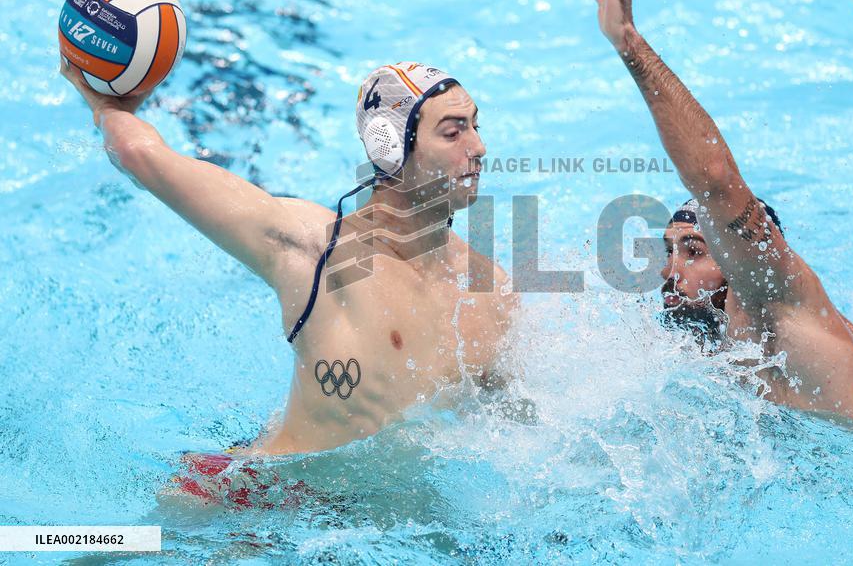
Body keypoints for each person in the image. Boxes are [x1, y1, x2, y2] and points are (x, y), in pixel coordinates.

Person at [60, 58, 515, 458]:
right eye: (454, 132)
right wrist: (106, 108)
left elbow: (528, 431)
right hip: (272, 500)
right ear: (389, 148)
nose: (478, 148)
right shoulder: (318, 253)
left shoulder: (491, 290)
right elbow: (142, 156)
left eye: (476, 126)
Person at [589, 0, 853, 440]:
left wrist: (630, 46)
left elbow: (716, 180)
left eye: (694, 250)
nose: (669, 271)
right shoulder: (727, 348)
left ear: (738, 261)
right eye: (670, 251)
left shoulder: (771, 301)